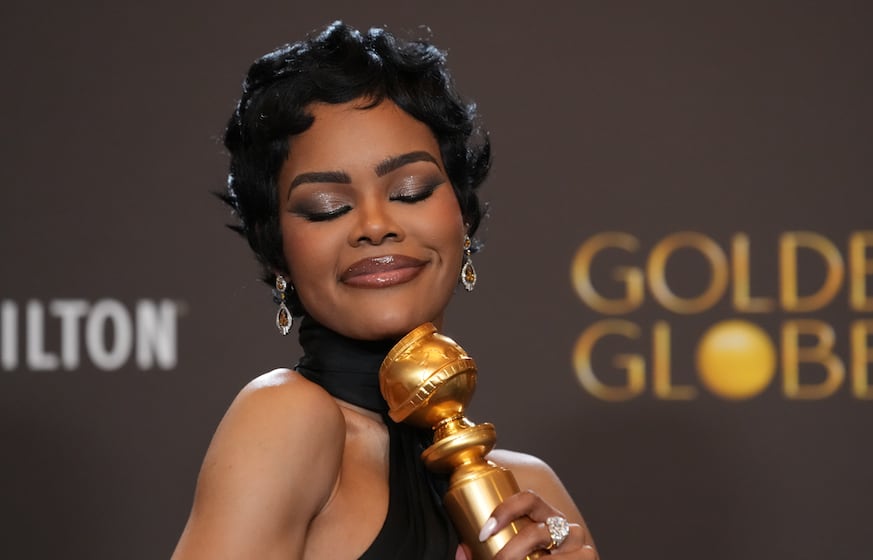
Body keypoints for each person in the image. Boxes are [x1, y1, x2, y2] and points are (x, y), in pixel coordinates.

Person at [173, 21, 599, 560]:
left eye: (410, 190)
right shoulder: (285, 419)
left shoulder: (531, 489)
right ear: (276, 250)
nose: (374, 225)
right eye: (328, 206)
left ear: (463, 219)